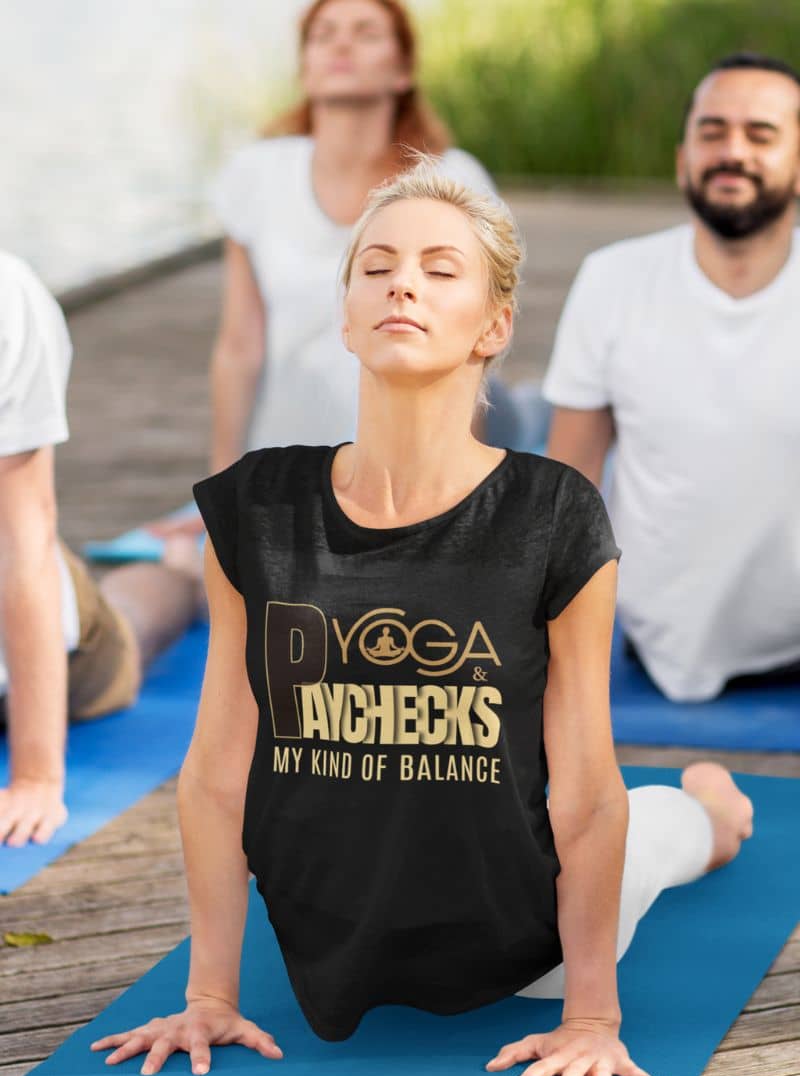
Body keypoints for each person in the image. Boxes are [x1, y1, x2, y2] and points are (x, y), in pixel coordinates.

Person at [91, 162, 753, 1076]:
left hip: (528, 938)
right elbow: (215, 775)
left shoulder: (553, 514)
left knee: (660, 833)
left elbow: (585, 793)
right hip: (328, 937)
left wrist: (591, 1019)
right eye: (377, 267)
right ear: (347, 317)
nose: (402, 283)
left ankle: (714, 809)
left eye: (441, 270)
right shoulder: (257, 508)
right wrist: (210, 995)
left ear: (494, 327)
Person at [149, 0, 497, 545]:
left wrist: (459, 504)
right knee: (162, 573)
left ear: (403, 69)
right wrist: (223, 489)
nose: (341, 44)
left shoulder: (454, 183)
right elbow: (239, 346)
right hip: (285, 472)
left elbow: (470, 356)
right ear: (306, 67)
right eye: (324, 34)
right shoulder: (258, 173)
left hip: (406, 478)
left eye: (366, 33)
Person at [544, 53, 800, 702]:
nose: (732, 151)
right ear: (683, 159)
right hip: (660, 654)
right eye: (712, 132)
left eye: (761, 134)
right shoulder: (613, 280)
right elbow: (569, 487)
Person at [0, 251, 207, 848]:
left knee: (127, 631)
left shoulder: (9, 299)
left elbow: (23, 541)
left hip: (36, 607)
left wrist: (36, 777)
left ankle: (179, 571)